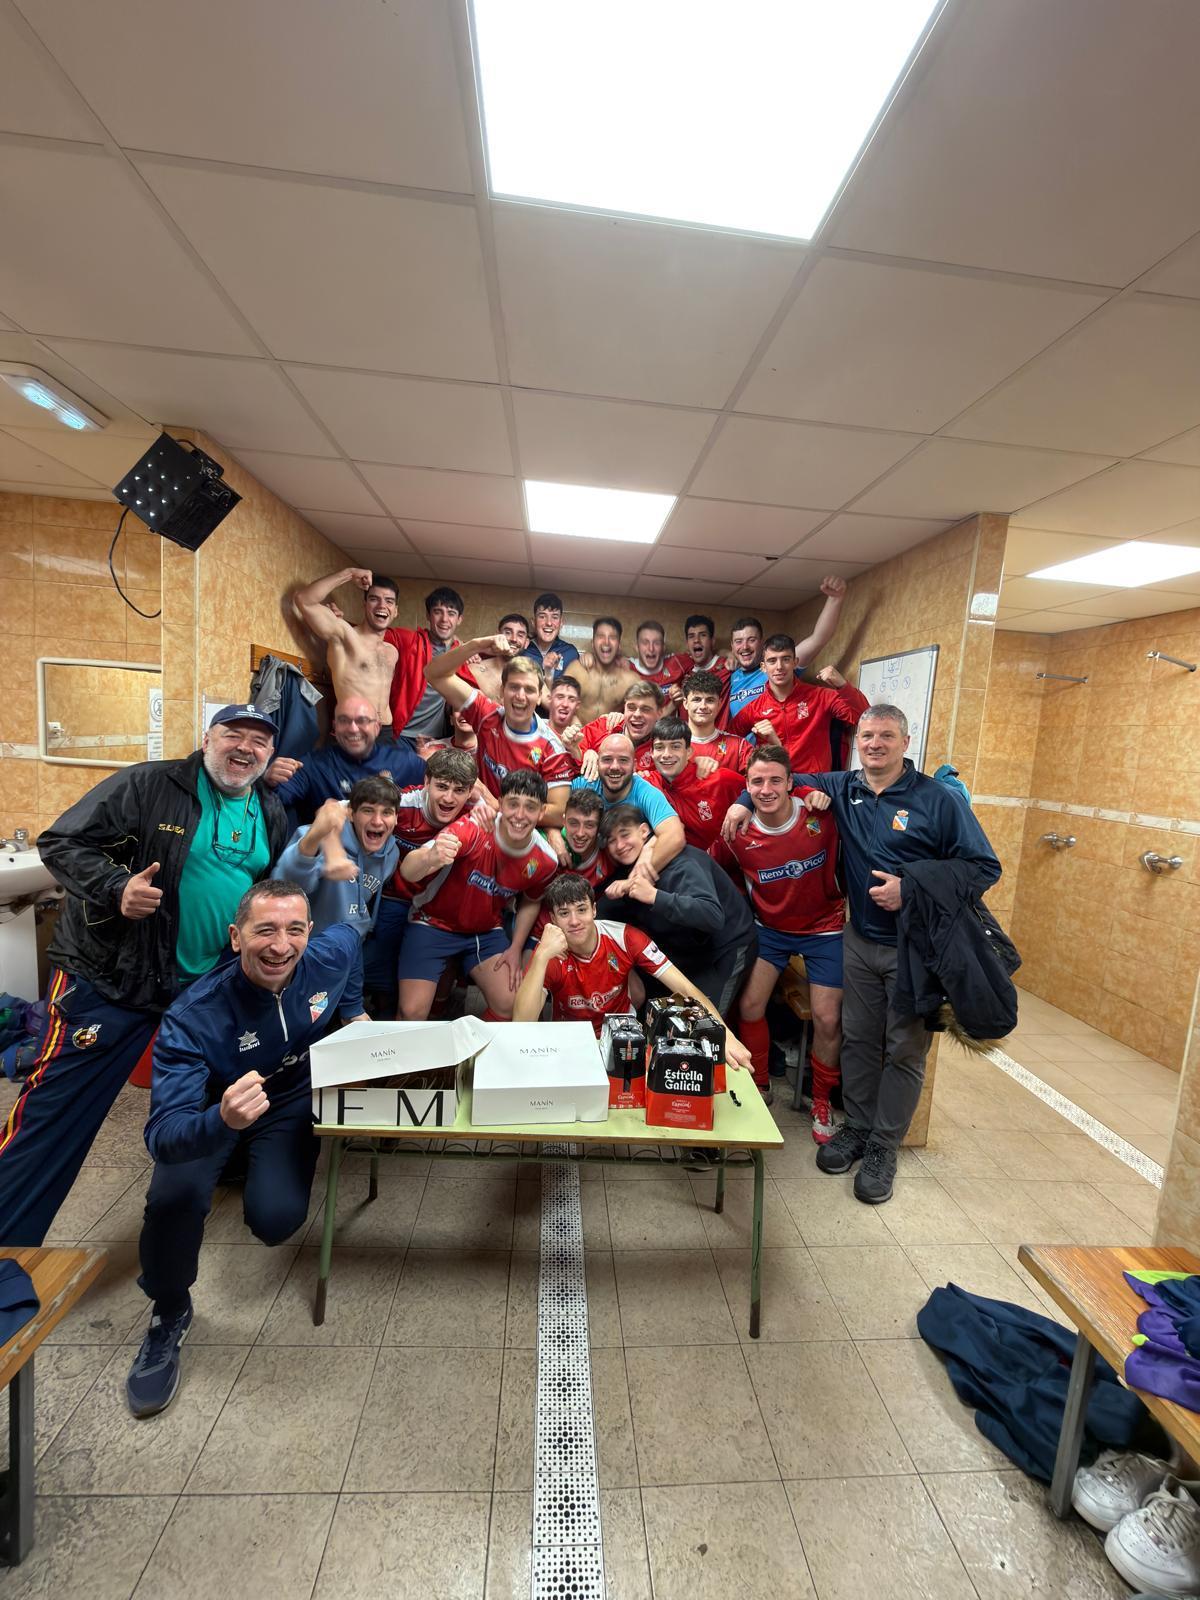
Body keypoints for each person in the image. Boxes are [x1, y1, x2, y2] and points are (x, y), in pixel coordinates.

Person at [0, 706, 288, 1247]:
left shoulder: (270, 809)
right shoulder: (149, 784)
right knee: (52, 1117)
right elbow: (60, 842)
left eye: (259, 740)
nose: (244, 748)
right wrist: (116, 887)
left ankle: (170, 1264)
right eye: (233, 734)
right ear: (208, 738)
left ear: (271, 754)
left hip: (204, 989)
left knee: (202, 1115)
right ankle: (6, 1245)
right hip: (113, 982)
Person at [724, 705, 1002, 1201]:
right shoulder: (845, 787)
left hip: (916, 947)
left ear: (905, 740)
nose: (875, 743)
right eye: (868, 735)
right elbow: (781, 777)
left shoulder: (937, 801)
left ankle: (883, 1146)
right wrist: (743, 800)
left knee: (903, 1049)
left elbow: (983, 867)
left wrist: (911, 886)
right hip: (859, 939)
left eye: (886, 736)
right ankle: (857, 1125)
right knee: (856, 1038)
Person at [125, 882, 362, 1417]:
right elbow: (161, 1136)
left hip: (288, 1101)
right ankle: (167, 1312)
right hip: (214, 1110)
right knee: (173, 1199)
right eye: (265, 930)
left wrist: (354, 1009)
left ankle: (241, 1168)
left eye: (294, 929)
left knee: (276, 1220)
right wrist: (221, 1120)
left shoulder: (329, 954)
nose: (281, 945)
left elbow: (352, 940)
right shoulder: (192, 1017)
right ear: (236, 938)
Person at [709, 745, 844, 1139]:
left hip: (826, 927)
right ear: (746, 786)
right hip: (770, 928)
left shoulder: (821, 813)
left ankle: (821, 1102)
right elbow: (709, 866)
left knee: (827, 1017)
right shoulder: (737, 831)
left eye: (775, 781)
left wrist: (807, 793)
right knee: (749, 1005)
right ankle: (761, 1085)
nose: (766, 789)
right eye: (756, 782)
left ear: (791, 782)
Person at [514, 875, 751, 1074]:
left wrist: (724, 1033)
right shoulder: (550, 951)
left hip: (622, 1039)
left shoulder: (626, 937)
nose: (574, 921)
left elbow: (685, 988)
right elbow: (521, 1025)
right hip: (570, 1044)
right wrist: (541, 956)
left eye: (582, 909)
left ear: (594, 910)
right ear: (553, 920)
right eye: (564, 913)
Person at [397, 769, 558, 1020]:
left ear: (542, 812)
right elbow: (408, 870)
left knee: (511, 1004)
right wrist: (429, 856)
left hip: (483, 932)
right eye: (513, 804)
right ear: (500, 803)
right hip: (432, 922)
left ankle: (471, 1047)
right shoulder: (474, 827)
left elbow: (532, 899)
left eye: (530, 807)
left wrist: (515, 948)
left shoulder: (546, 859)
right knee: (411, 1013)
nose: (519, 815)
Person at [597, 804, 757, 1027]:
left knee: (704, 1026)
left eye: (625, 835)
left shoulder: (683, 864)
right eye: (612, 841)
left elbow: (711, 915)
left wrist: (654, 896)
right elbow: (605, 908)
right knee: (658, 1019)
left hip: (724, 949)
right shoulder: (629, 869)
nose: (620, 845)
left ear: (644, 831)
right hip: (684, 952)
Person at [274, 779, 401, 1019]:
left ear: (396, 819)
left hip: (355, 947)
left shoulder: (391, 853)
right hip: (310, 950)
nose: (377, 821)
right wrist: (316, 837)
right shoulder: (315, 837)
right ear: (351, 814)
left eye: (386, 813)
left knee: (375, 1002)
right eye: (368, 810)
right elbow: (285, 885)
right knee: (310, 1021)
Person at [365, 750, 478, 1019]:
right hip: (394, 897)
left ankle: (437, 1013)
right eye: (441, 787)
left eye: (459, 790)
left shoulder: (475, 816)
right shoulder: (400, 804)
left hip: (436, 906)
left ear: (470, 791)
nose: (449, 798)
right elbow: (347, 810)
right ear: (426, 782)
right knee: (385, 960)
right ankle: (383, 1013)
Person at [425, 633, 574, 825]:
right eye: (514, 687)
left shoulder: (552, 748)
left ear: (539, 697)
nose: (520, 696)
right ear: (502, 691)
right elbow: (433, 673)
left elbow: (559, 813)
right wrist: (477, 644)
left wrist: (500, 808)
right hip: (476, 818)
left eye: (529, 690)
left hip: (518, 828)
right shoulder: (486, 713)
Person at [264, 695, 423, 824]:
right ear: (335, 726)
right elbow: (276, 800)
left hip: (388, 855)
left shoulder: (405, 762)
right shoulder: (314, 765)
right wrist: (267, 781)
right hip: (329, 855)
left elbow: (440, 789)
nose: (353, 728)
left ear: (377, 727)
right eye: (344, 720)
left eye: (362, 721)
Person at [731, 638, 869, 774]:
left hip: (814, 784)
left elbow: (864, 716)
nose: (779, 666)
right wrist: (750, 766)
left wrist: (842, 685)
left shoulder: (820, 696)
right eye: (772, 661)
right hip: (776, 783)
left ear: (795, 662)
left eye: (785, 659)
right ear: (763, 667)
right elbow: (728, 740)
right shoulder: (754, 708)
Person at [727, 578, 848, 724]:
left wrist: (835, 599)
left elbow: (818, 639)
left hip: (777, 745)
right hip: (742, 745)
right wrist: (724, 654)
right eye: (738, 642)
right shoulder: (729, 676)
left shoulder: (778, 666)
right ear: (732, 647)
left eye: (751, 640)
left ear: (762, 643)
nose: (745, 646)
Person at [292, 568, 400, 730]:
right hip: (354, 730)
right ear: (365, 605)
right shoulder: (344, 635)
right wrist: (349, 574)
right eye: (374, 599)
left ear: (396, 611)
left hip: (385, 732)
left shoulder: (392, 651)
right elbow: (304, 600)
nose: (382, 605)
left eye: (389, 601)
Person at [570, 734, 685, 877]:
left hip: (626, 870)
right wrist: (553, 833)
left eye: (623, 760)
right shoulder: (585, 784)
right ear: (597, 762)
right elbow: (555, 814)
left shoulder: (645, 792)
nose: (614, 767)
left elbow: (675, 835)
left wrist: (636, 877)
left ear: (635, 765)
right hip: (592, 868)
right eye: (607, 760)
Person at [644, 718, 747, 853]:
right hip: (679, 866)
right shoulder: (646, 783)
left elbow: (756, 789)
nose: (666, 754)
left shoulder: (719, 779)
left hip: (728, 867)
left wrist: (747, 802)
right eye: (659, 747)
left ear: (689, 752)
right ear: (651, 753)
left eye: (675, 746)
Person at [383, 584, 466, 745]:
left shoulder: (460, 653)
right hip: (401, 736)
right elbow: (369, 635)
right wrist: (339, 621)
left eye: (451, 613)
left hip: (437, 741)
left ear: (459, 619)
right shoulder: (408, 640)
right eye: (437, 612)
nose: (444, 619)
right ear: (428, 615)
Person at [578, 681, 665, 776]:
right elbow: (571, 750)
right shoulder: (605, 725)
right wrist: (585, 753)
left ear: (659, 713)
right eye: (631, 708)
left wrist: (644, 781)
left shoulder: (663, 749)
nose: (637, 714)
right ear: (624, 709)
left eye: (645, 709)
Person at [681, 671, 753, 773]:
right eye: (696, 699)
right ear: (685, 703)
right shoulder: (672, 746)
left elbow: (759, 781)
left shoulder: (739, 746)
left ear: (719, 704)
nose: (703, 706)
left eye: (710, 700)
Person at [572, 616, 641, 720]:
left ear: (619, 646)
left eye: (612, 637)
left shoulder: (630, 679)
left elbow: (644, 712)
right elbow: (557, 703)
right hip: (575, 733)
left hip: (610, 735)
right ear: (592, 643)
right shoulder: (576, 669)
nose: (606, 642)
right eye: (600, 636)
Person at [523, 592, 580, 680]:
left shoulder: (570, 653)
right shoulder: (523, 650)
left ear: (561, 623)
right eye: (542, 616)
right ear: (534, 622)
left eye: (555, 617)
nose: (549, 623)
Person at [630, 619, 687, 702]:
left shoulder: (677, 663)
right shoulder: (625, 667)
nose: (651, 648)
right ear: (637, 647)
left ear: (663, 647)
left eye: (656, 643)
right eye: (645, 643)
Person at [543, 674, 584, 770]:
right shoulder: (535, 729)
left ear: (577, 705)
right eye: (560, 697)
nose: (565, 704)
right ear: (550, 699)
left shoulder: (581, 740)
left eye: (571, 699)